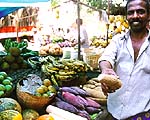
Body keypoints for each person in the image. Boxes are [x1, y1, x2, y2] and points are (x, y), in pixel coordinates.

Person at [98, 0, 150, 119]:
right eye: (131, 12)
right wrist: (106, 70)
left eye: (140, 12)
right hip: (114, 111)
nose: (135, 16)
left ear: (149, 15)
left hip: (142, 114)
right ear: (127, 16)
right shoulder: (118, 40)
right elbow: (106, 57)